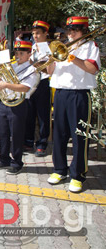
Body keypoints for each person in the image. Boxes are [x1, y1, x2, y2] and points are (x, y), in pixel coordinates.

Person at [47, 16, 100, 193]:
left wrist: (72, 57)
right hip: (61, 93)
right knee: (59, 134)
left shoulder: (90, 47)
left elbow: (93, 68)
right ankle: (59, 169)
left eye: (74, 30)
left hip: (79, 94)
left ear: (84, 31)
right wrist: (51, 60)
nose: (70, 33)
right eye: (68, 30)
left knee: (79, 136)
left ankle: (78, 175)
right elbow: (50, 71)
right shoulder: (62, 45)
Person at [0, 40, 39, 175]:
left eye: (21, 53)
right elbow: (0, 78)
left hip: (19, 103)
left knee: (16, 134)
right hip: (5, 102)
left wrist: (6, 85)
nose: (18, 55)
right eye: (17, 53)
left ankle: (17, 162)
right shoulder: (11, 65)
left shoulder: (32, 69)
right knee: (2, 133)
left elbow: (25, 87)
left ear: (30, 54)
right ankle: (3, 159)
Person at [25, 20, 52, 156]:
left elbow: (48, 68)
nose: (35, 36)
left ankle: (42, 143)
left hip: (42, 83)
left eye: (38, 33)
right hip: (31, 82)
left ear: (45, 33)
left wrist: (32, 63)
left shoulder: (50, 48)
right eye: (33, 33)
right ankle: (29, 141)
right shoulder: (32, 47)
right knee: (29, 114)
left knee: (42, 115)